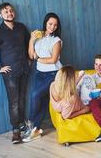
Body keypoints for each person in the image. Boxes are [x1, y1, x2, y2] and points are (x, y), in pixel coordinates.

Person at [0, 2, 30, 144]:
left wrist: (30, 59)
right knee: (14, 102)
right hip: (10, 73)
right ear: (1, 15)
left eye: (11, 11)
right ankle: (16, 131)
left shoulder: (21, 28)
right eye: (6, 12)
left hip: (24, 70)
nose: (9, 13)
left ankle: (23, 125)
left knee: (22, 99)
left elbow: (29, 45)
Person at [23, 13, 63, 142]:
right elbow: (31, 56)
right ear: (45, 23)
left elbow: (53, 60)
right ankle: (35, 130)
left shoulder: (56, 40)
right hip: (39, 73)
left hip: (53, 73)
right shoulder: (38, 36)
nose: (52, 27)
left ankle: (30, 122)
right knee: (43, 100)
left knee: (35, 95)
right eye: (50, 23)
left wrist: (39, 59)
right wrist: (31, 40)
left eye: (55, 25)